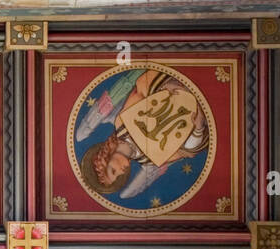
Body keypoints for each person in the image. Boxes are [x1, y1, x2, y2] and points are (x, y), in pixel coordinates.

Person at [75, 67, 208, 203]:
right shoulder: (148, 160)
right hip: (196, 111)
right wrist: (198, 127)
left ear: (106, 156)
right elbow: (185, 151)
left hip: (178, 87)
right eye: (118, 176)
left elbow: (141, 89)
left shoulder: (121, 123)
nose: (121, 172)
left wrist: (166, 86)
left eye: (113, 171)